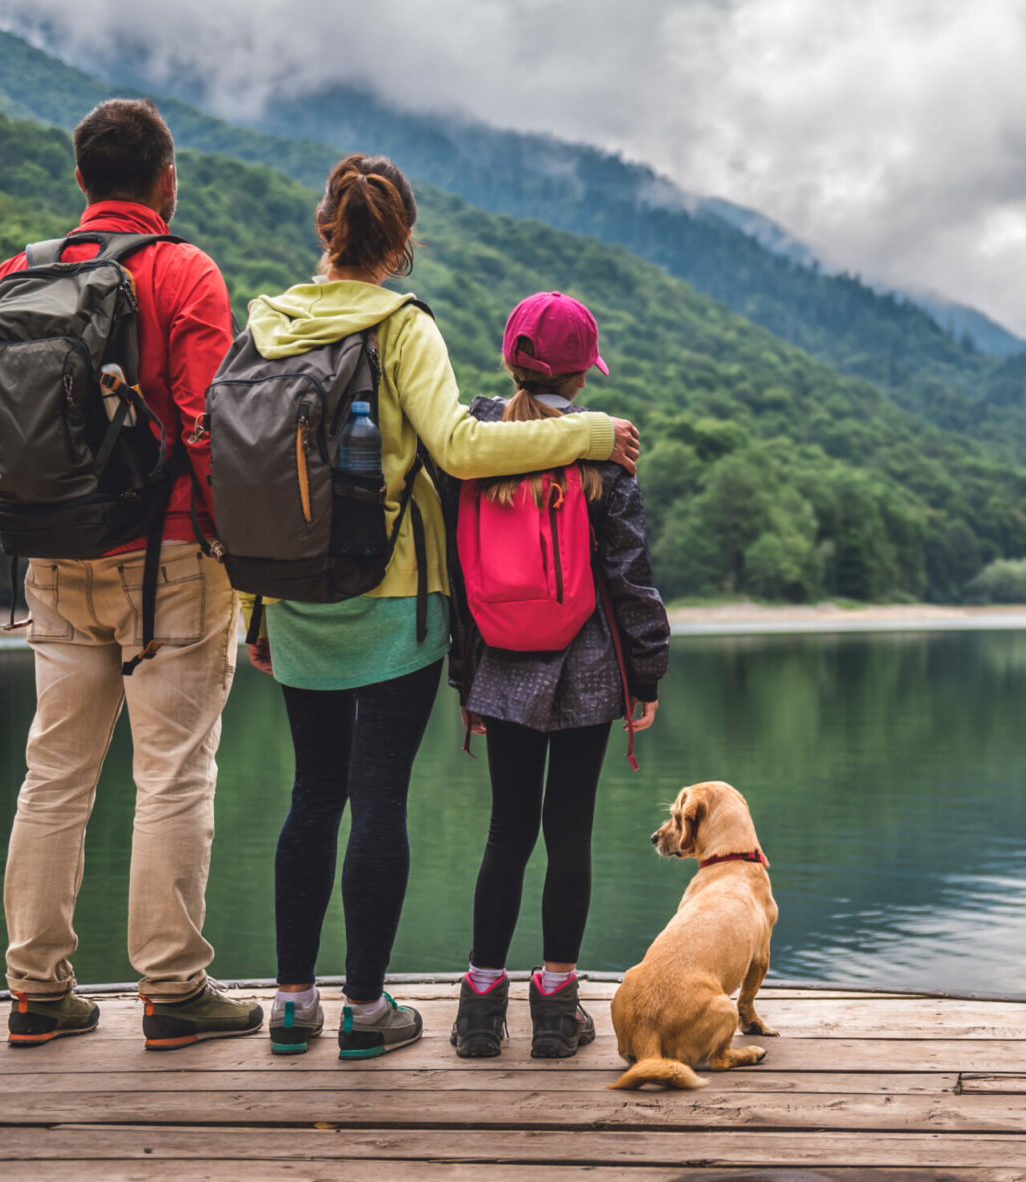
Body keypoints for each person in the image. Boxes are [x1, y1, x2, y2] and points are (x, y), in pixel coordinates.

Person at [250, 157, 643, 1060]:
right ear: (403, 242)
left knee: (311, 796)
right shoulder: (401, 325)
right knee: (377, 795)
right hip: (392, 601)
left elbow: (249, 469)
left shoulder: (268, 323)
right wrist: (590, 434)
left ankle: (292, 1005)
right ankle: (363, 1012)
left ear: (324, 230)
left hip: (291, 598)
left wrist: (252, 609)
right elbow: (461, 449)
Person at [0, 98, 262, 1050]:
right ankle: (173, 992)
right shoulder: (184, 270)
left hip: (52, 556)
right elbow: (207, 427)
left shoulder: (15, 276)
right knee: (172, 774)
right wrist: (238, 551)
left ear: (83, 181)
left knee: (53, 775)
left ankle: (36, 992)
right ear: (166, 181)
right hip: (170, 555)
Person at [451, 292, 670, 1061]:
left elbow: (459, 576)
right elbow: (629, 576)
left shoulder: (474, 444)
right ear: (582, 375)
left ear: (511, 357)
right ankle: (555, 1009)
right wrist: (646, 675)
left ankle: (479, 1010)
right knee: (567, 833)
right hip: (584, 667)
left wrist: (464, 680)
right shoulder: (604, 452)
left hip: (502, 664)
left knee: (506, 831)